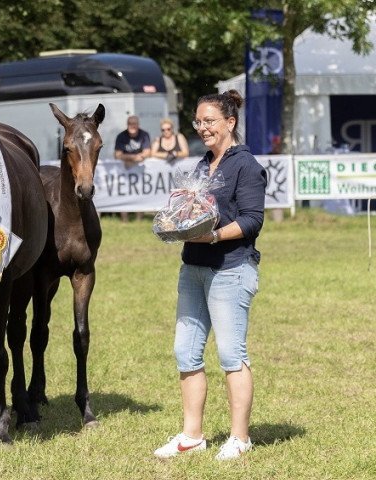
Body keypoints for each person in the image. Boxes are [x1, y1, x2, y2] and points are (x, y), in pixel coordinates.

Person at [153, 90, 266, 461]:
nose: (203, 128)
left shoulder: (246, 165)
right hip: (193, 268)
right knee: (185, 352)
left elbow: (252, 220)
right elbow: (194, 208)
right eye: (198, 121)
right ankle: (192, 435)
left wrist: (214, 234)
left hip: (231, 270)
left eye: (210, 121)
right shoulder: (202, 165)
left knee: (232, 354)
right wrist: (179, 218)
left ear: (229, 123)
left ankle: (240, 437)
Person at [114, 115, 151, 221]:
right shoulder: (121, 136)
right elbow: (117, 155)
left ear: (138, 125)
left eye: (134, 123)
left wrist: (129, 160)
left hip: (139, 171)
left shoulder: (144, 135)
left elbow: (147, 152)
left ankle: (139, 219)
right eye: (130, 123)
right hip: (124, 171)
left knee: (140, 192)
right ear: (127, 124)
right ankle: (124, 220)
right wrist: (134, 158)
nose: (132, 126)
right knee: (123, 193)